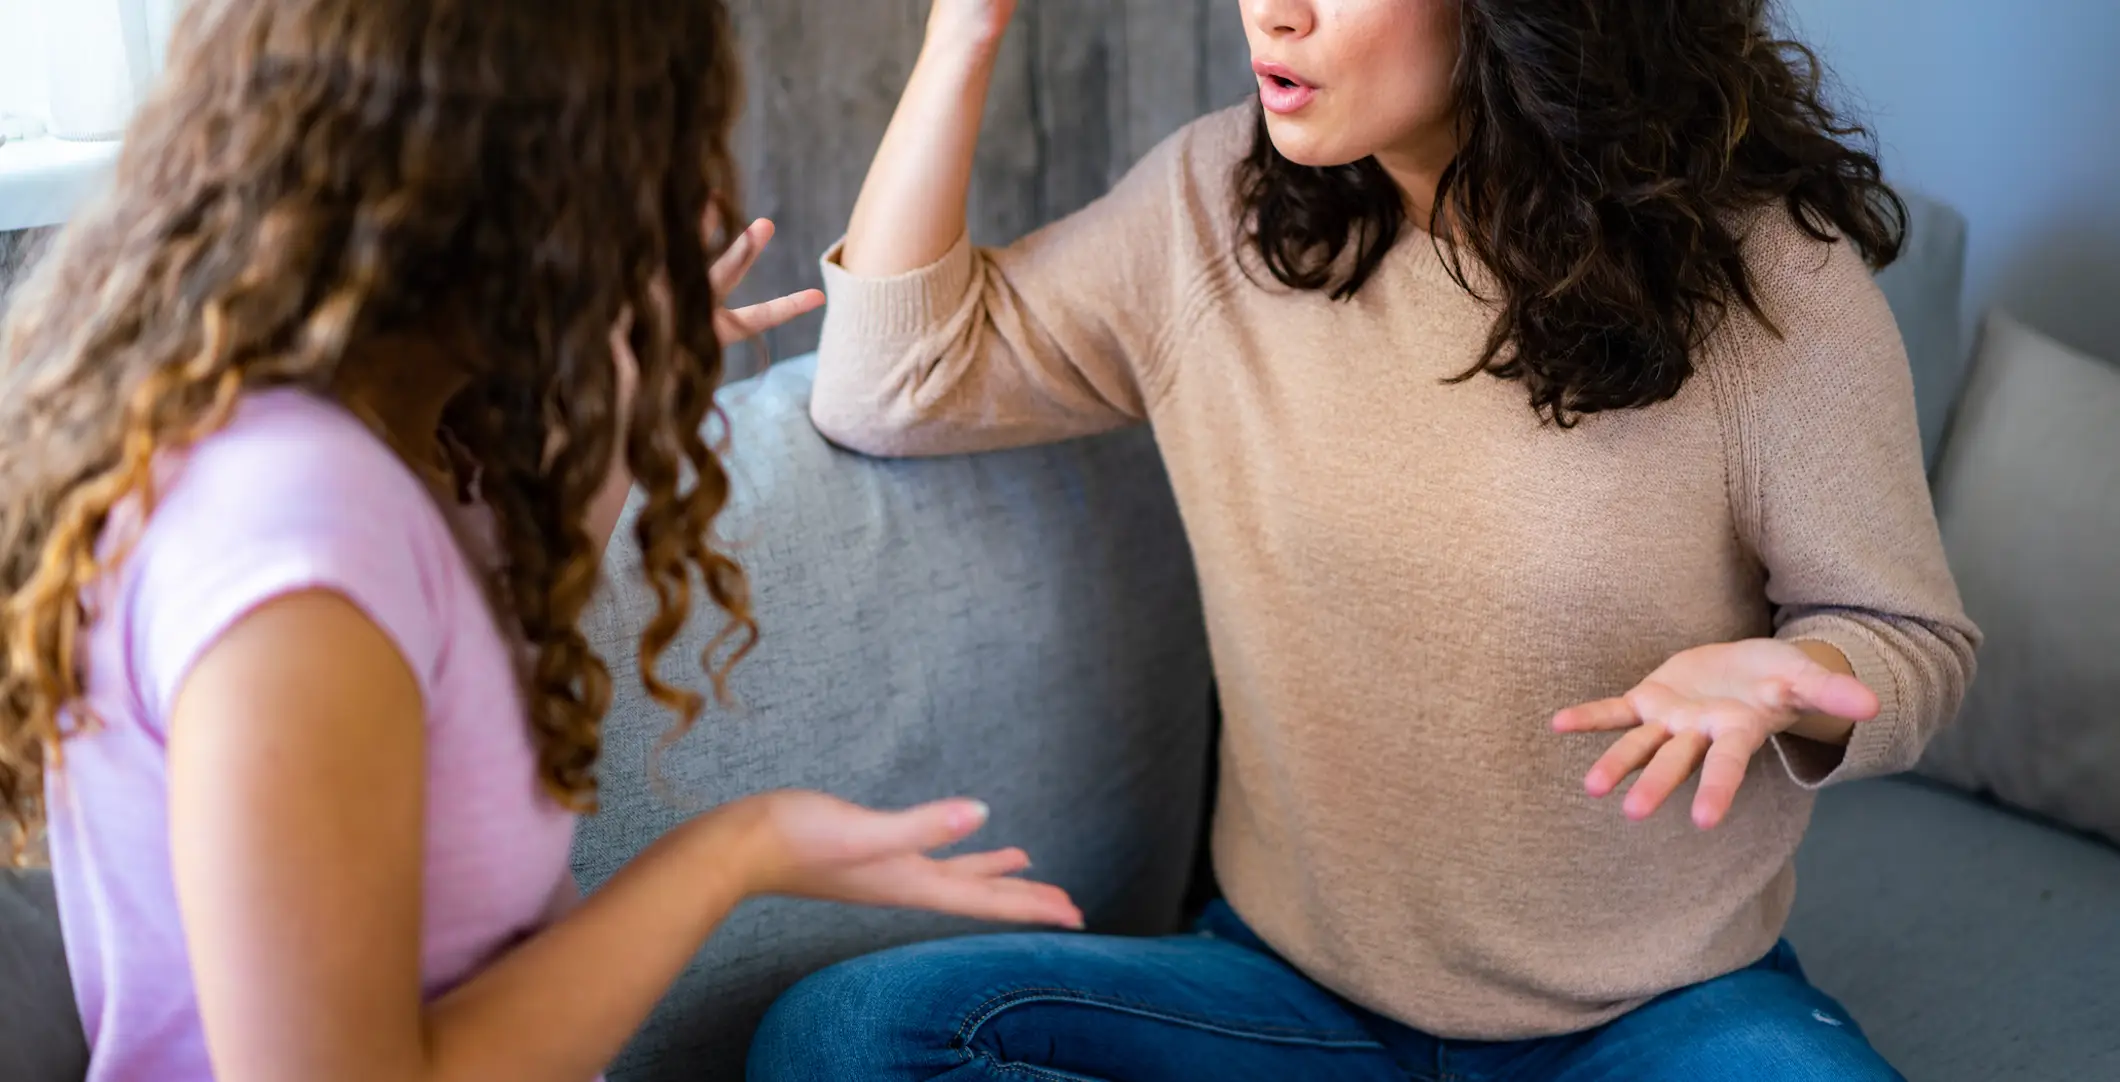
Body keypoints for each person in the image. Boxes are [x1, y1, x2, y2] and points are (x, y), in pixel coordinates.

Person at [747, 0, 1978, 1079]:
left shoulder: (1767, 279)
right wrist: (965, 28)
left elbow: (1908, 641)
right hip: (1284, 995)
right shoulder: (1207, 210)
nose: (1269, 13)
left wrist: (1802, 684)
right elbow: (887, 384)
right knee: (850, 1039)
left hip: (1655, 1011)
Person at [0, 3, 1084, 1081]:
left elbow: (461, 689)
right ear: (513, 176)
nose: (688, 203)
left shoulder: (370, 445)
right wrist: (734, 851)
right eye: (646, 150)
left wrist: (624, 399)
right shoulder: (287, 533)